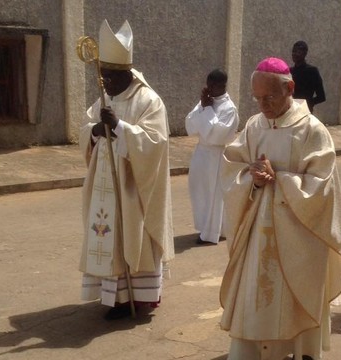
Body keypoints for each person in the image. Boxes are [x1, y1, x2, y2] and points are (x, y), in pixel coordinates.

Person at [219, 57, 341, 360]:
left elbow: (322, 185)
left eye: (269, 97)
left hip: (299, 233)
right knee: (258, 294)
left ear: (290, 88)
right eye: (257, 98)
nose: (262, 104)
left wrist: (278, 179)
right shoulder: (255, 126)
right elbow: (232, 166)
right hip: (258, 231)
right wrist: (251, 178)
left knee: (295, 296)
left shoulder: (312, 130)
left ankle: (299, 352)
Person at [78, 19, 174, 320]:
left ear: (126, 72)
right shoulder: (105, 97)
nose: (105, 82)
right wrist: (94, 130)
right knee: (109, 236)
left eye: (111, 76)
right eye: (103, 76)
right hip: (105, 182)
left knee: (133, 234)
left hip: (134, 187)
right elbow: (87, 128)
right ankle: (114, 296)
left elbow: (156, 143)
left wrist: (120, 126)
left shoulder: (149, 101)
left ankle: (139, 297)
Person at [185, 69, 239, 245]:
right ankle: (212, 228)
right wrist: (202, 106)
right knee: (200, 191)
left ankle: (210, 234)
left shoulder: (229, 108)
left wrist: (207, 110)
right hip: (201, 152)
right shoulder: (207, 101)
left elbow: (217, 135)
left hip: (216, 155)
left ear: (220, 85)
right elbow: (190, 125)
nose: (207, 89)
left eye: (210, 85)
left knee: (214, 194)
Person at [290, 40, 326, 113]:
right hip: (290, 112)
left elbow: (321, 97)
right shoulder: (290, 71)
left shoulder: (312, 71)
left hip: (305, 113)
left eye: (298, 52)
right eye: (293, 51)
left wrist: (308, 103)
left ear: (304, 54)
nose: (294, 54)